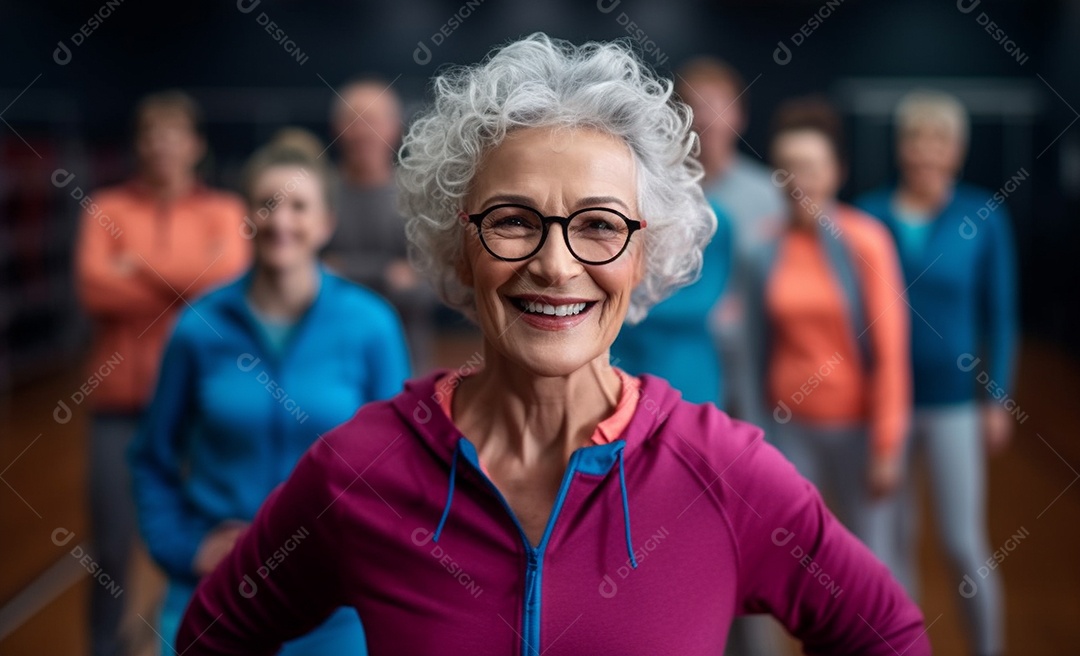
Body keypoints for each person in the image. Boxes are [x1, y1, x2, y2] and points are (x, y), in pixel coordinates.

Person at [173, 34, 929, 656]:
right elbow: (213, 633)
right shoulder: (361, 470)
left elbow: (888, 636)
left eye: (599, 225)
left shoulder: (725, 474)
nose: (556, 264)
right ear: (459, 243)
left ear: (645, 253)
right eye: (512, 220)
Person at [129, 136, 410, 654]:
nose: (282, 221)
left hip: (335, 605)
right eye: (267, 204)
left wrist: (355, 555)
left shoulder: (371, 325)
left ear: (326, 222)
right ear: (247, 217)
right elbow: (152, 457)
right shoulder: (198, 327)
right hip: (213, 591)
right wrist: (183, 548)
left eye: (299, 206)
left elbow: (398, 470)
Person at [74, 90, 251, 656]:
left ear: (195, 146)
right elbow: (94, 288)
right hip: (120, 406)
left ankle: (200, 642)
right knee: (110, 546)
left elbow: (228, 283)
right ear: (138, 145)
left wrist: (136, 267)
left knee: (211, 539)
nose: (162, 146)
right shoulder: (104, 208)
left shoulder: (224, 210)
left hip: (203, 409)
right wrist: (185, 283)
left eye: (173, 134)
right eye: (151, 135)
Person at [859, 90, 1017, 656]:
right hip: (886, 407)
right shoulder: (870, 214)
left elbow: (1000, 314)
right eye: (916, 138)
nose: (926, 151)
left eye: (939, 139)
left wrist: (996, 398)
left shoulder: (985, 216)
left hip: (954, 405)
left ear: (958, 149)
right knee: (891, 545)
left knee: (961, 541)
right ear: (901, 147)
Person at [763, 98, 911, 578]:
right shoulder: (764, 245)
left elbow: (891, 352)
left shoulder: (866, 240)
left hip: (857, 428)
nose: (796, 180)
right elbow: (754, 344)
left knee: (870, 566)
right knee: (795, 565)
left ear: (836, 171)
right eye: (785, 168)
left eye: (808, 166)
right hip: (788, 429)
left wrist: (887, 446)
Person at [675, 59, 786, 429]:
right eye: (696, 107)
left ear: (738, 115)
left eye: (717, 105)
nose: (707, 119)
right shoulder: (660, 194)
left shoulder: (770, 194)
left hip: (755, 354)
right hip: (679, 353)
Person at [323, 78, 434, 369]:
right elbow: (307, 281)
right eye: (353, 120)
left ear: (394, 128)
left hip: (405, 362)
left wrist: (342, 271)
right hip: (330, 360)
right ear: (337, 129)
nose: (363, 132)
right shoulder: (316, 196)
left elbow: (434, 287)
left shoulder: (419, 197)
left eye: (373, 120)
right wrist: (388, 273)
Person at [610, 201, 732, 405]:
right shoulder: (621, 207)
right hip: (621, 359)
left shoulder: (710, 218)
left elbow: (701, 302)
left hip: (681, 366)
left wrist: (621, 304)